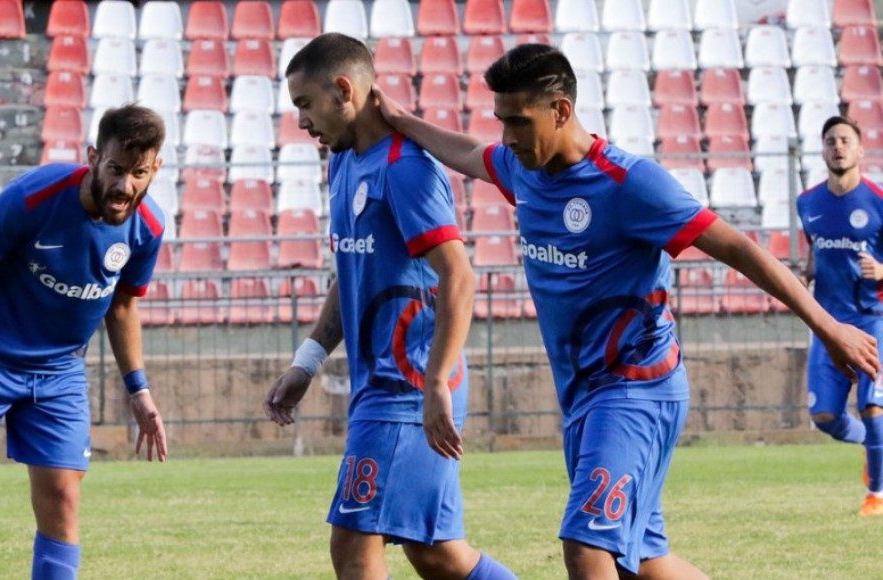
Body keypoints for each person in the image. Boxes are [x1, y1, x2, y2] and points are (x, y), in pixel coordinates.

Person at [374, 44, 881, 579]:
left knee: (586, 545)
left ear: (561, 111)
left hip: (637, 387)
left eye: (518, 121)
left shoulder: (629, 182)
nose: (508, 137)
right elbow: (469, 153)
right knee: (644, 561)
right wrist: (402, 120)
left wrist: (828, 326)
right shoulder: (524, 170)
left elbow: (738, 248)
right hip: (585, 396)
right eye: (501, 121)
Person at [264, 33, 516, 580]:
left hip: (408, 385)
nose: (301, 122)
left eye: (305, 105)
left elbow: (459, 276)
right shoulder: (343, 164)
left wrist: (435, 382)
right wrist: (307, 361)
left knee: (354, 545)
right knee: (437, 554)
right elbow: (353, 270)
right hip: (381, 386)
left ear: (344, 90)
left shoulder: (405, 168)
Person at [0, 103, 170, 580]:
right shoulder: (33, 198)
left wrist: (139, 390)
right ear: (93, 157)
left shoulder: (148, 227)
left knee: (63, 498)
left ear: (156, 169)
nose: (125, 186)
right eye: (115, 169)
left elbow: (123, 306)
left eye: (139, 173)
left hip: (59, 370)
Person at [797, 116, 883, 517]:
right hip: (828, 325)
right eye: (830, 140)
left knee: (874, 409)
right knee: (825, 417)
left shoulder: (878, 202)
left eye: (846, 140)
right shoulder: (808, 203)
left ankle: (876, 495)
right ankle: (873, 445)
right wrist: (807, 273)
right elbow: (816, 251)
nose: (838, 147)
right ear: (823, 150)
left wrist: (881, 270)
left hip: (872, 319)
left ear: (861, 150)